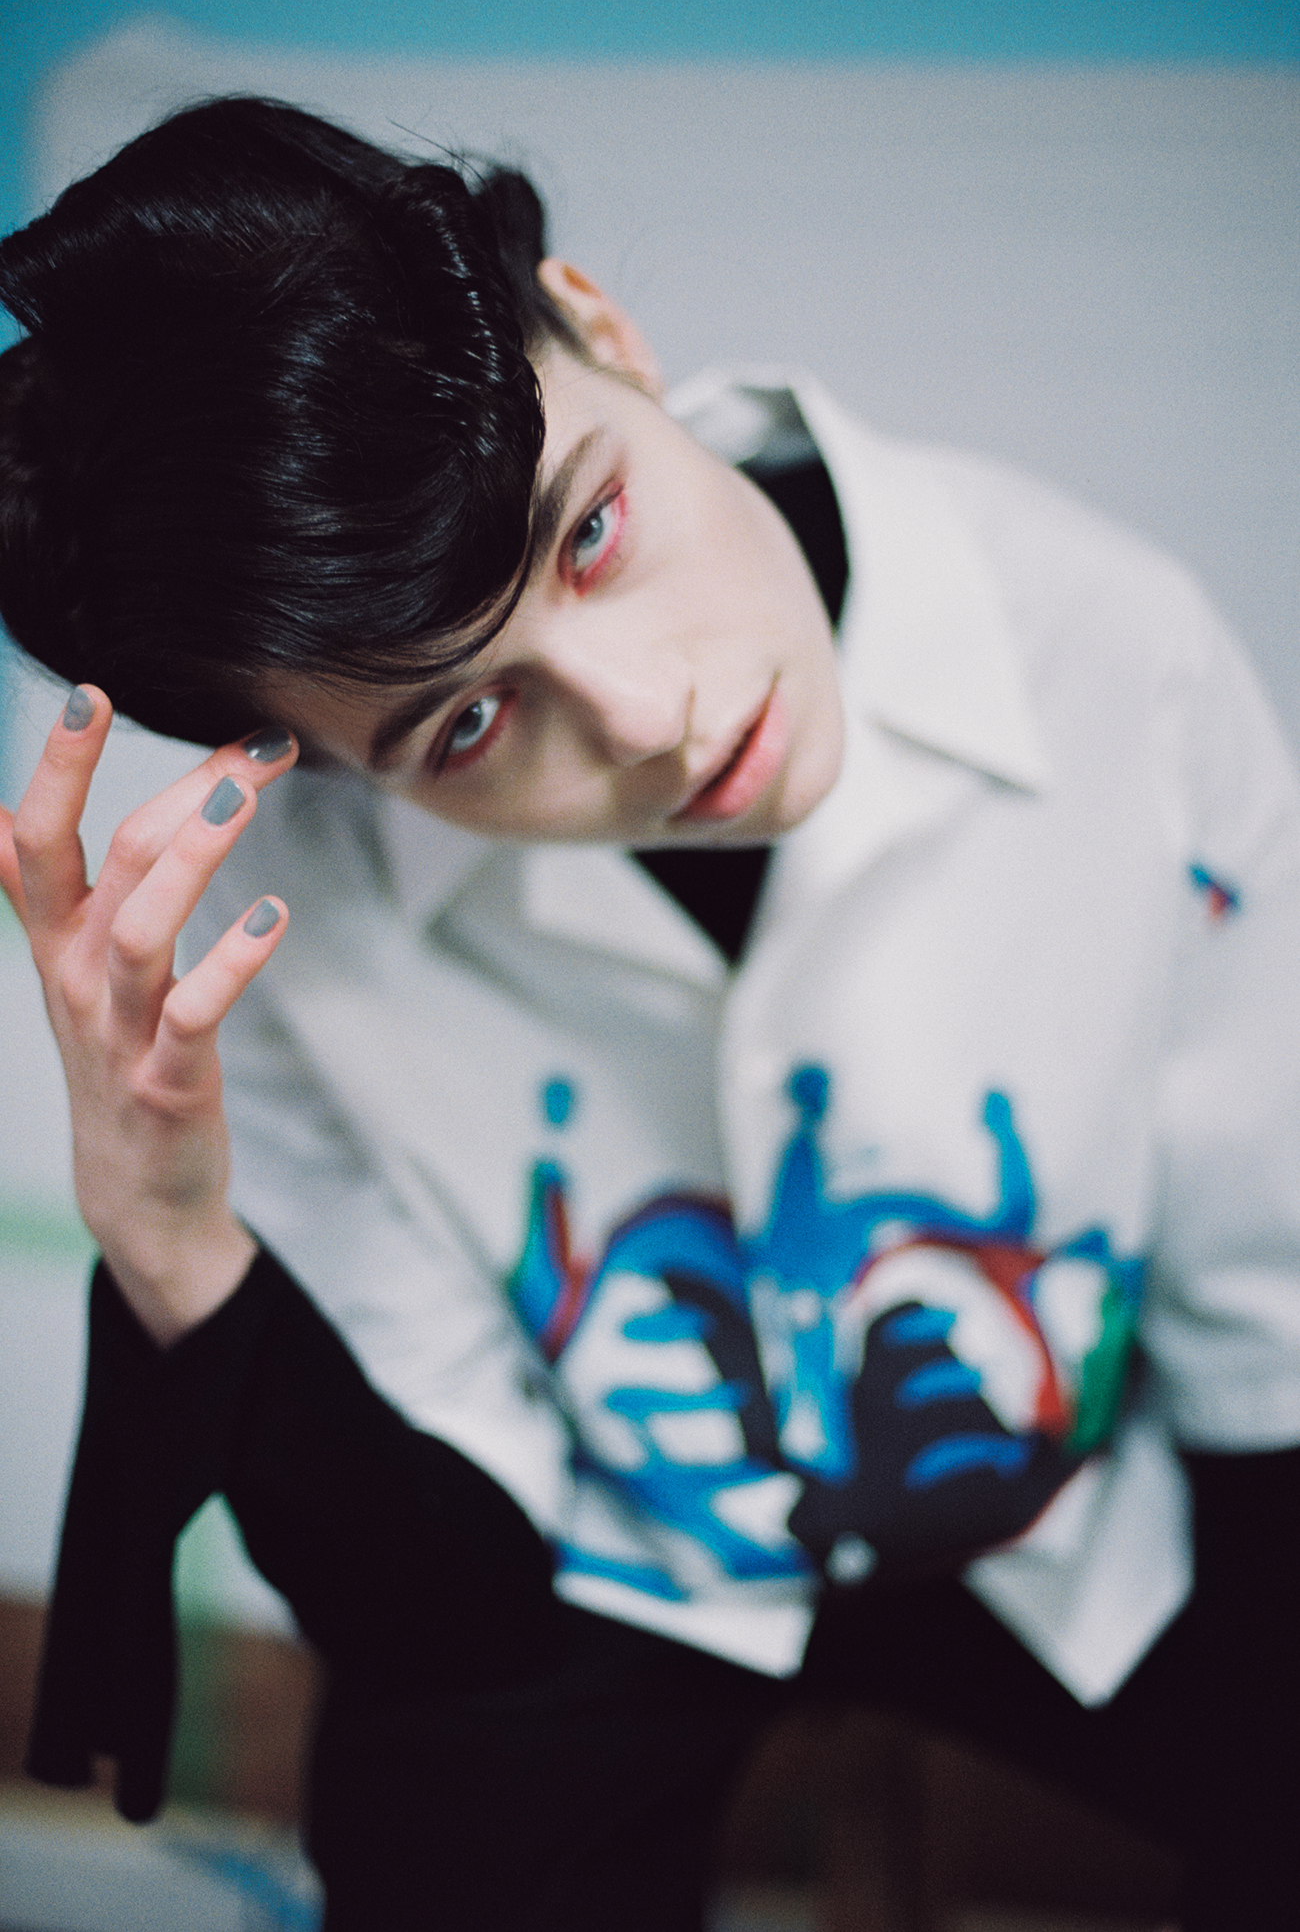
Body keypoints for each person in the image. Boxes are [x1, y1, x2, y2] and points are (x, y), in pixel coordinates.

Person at [0, 96, 1298, 1932]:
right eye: (464, 721)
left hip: (1059, 1514)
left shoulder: (1110, 650)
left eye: (592, 529)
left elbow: (1271, 1335)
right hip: (610, 1560)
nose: (646, 716)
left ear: (603, 327)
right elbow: (432, 1614)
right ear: (329, 768)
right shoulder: (277, 929)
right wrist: (169, 1230)